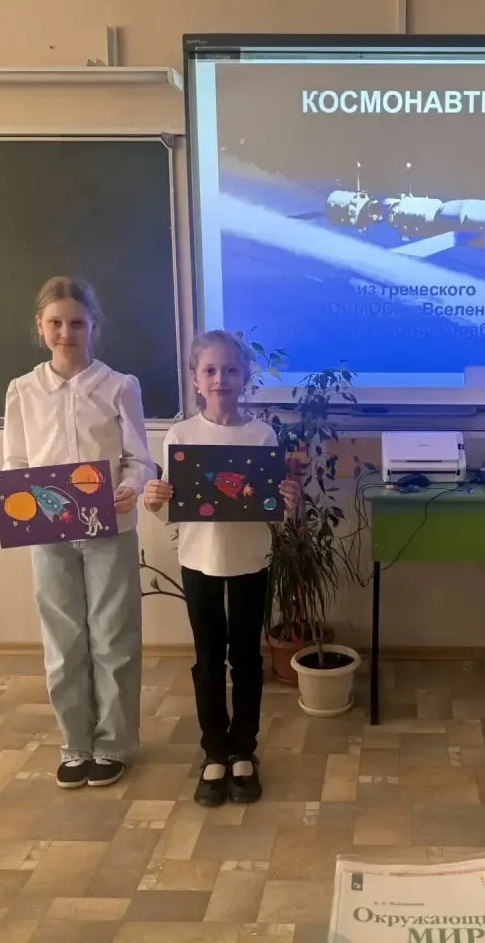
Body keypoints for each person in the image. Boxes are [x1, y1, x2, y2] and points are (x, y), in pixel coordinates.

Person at [0, 276, 155, 789]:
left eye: (76, 323)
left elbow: (139, 459)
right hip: (47, 531)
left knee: (113, 637)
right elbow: (17, 462)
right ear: (40, 326)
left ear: (94, 326)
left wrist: (129, 487)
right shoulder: (23, 390)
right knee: (62, 641)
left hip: (110, 527)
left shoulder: (119, 386)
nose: (66, 333)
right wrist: (4, 501)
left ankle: (114, 743)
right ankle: (75, 743)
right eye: (55, 323)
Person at [143, 330, 300, 807]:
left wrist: (288, 502)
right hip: (198, 560)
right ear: (195, 378)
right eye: (210, 370)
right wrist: (154, 500)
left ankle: (244, 750)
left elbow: (271, 508)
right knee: (208, 659)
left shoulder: (262, 435)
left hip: (251, 559)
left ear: (245, 376)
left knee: (247, 659)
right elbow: (171, 508)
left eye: (230, 369)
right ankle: (214, 750)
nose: (220, 379)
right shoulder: (180, 435)